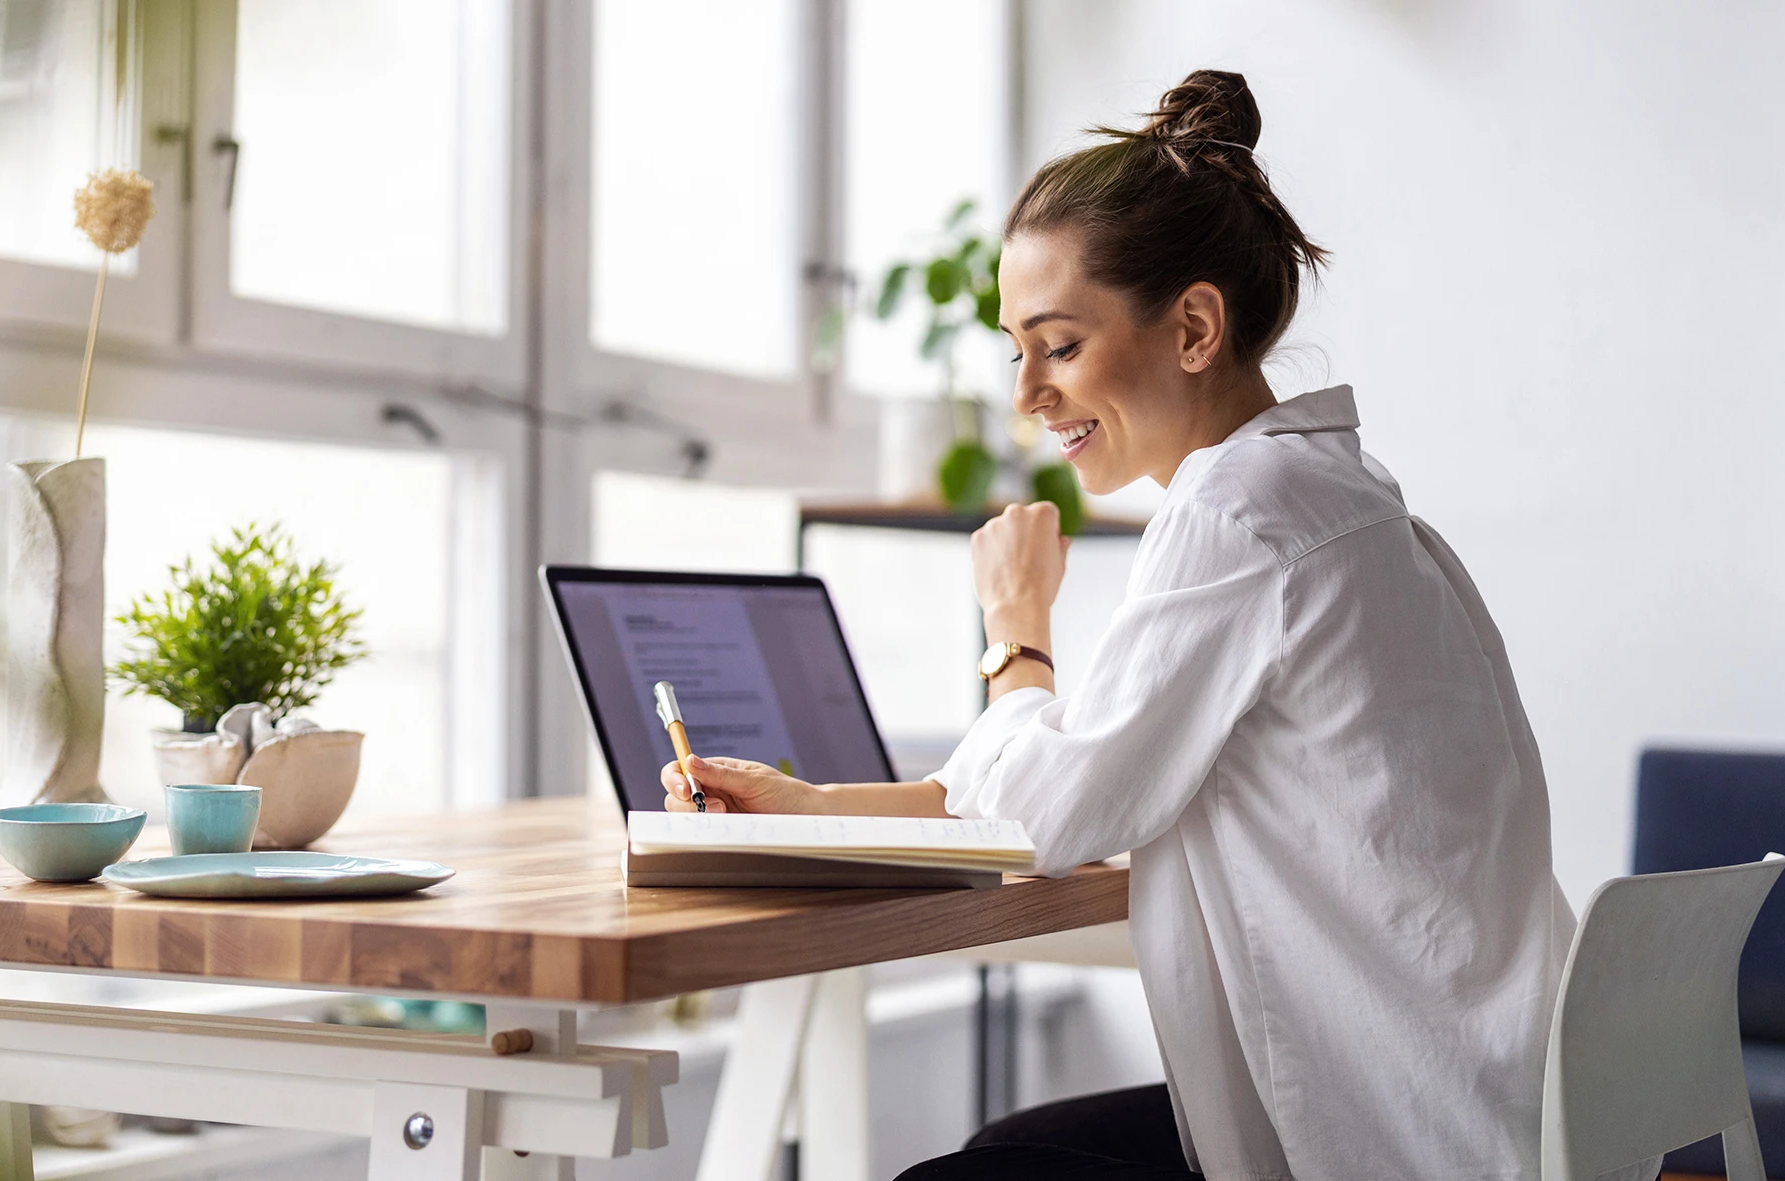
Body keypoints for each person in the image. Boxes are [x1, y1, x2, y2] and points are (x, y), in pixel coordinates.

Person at [663, 70, 1640, 1181]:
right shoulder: (1340, 497)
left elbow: (1047, 810)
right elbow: (1085, 766)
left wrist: (1013, 623)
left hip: (1402, 1135)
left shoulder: (1239, 513)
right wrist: (816, 806)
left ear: (1192, 327)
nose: (1028, 391)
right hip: (1493, 1102)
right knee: (1009, 1151)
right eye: (1013, 349)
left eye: (1060, 344)